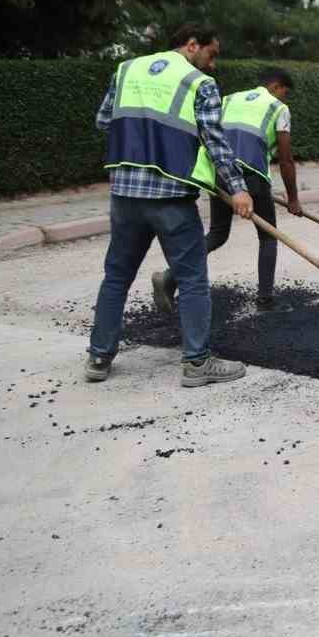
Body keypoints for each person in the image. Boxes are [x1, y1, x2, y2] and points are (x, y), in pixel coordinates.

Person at [86, 25, 252, 387]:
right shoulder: (199, 83)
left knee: (116, 276)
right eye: (212, 53)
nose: (212, 63)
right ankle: (197, 363)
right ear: (192, 45)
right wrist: (238, 190)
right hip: (171, 198)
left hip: (125, 194)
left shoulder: (126, 70)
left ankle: (98, 357)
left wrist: (141, 141)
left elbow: (103, 121)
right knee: (192, 279)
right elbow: (216, 144)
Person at [154, 68, 302, 312]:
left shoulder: (230, 99)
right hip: (251, 175)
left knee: (218, 234)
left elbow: (208, 133)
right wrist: (293, 200)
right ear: (276, 87)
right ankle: (266, 301)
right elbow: (286, 160)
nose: (283, 98)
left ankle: (170, 277)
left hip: (221, 173)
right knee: (268, 236)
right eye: (284, 93)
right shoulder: (278, 108)